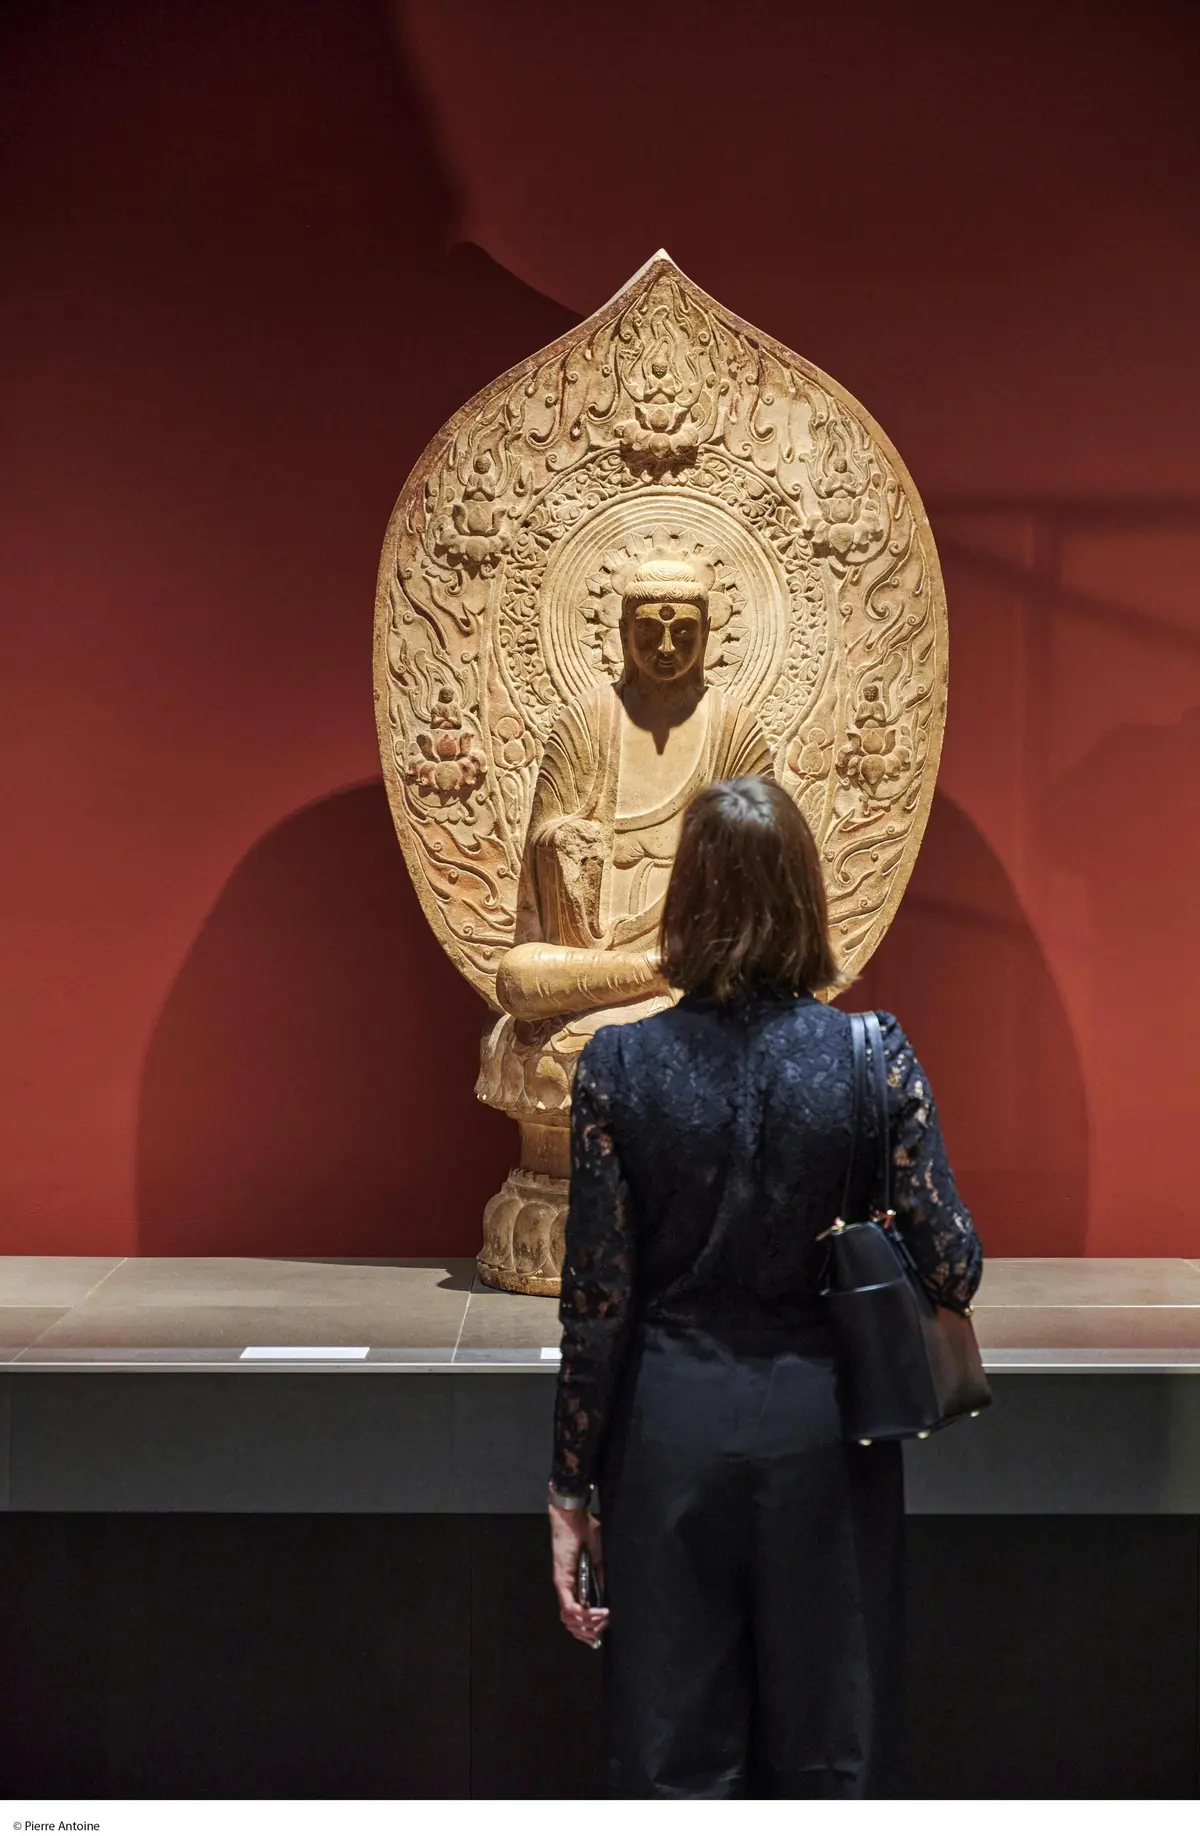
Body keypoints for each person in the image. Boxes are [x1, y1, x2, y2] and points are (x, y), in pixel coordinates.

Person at [546, 775, 983, 1798]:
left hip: (670, 1425)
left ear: (687, 899)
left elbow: (597, 1304)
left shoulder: (619, 1065)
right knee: (831, 1745)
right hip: (827, 1427)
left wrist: (570, 1486)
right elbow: (954, 1264)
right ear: (806, 896)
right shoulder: (873, 1059)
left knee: (672, 1757)